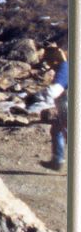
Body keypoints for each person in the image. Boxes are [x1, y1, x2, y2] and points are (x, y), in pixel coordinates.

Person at [42, 44, 67, 172]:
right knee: (57, 130)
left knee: (65, 131)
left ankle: (58, 161)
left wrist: (38, 100)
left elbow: (57, 88)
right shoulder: (64, 66)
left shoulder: (64, 68)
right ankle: (57, 160)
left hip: (67, 105)